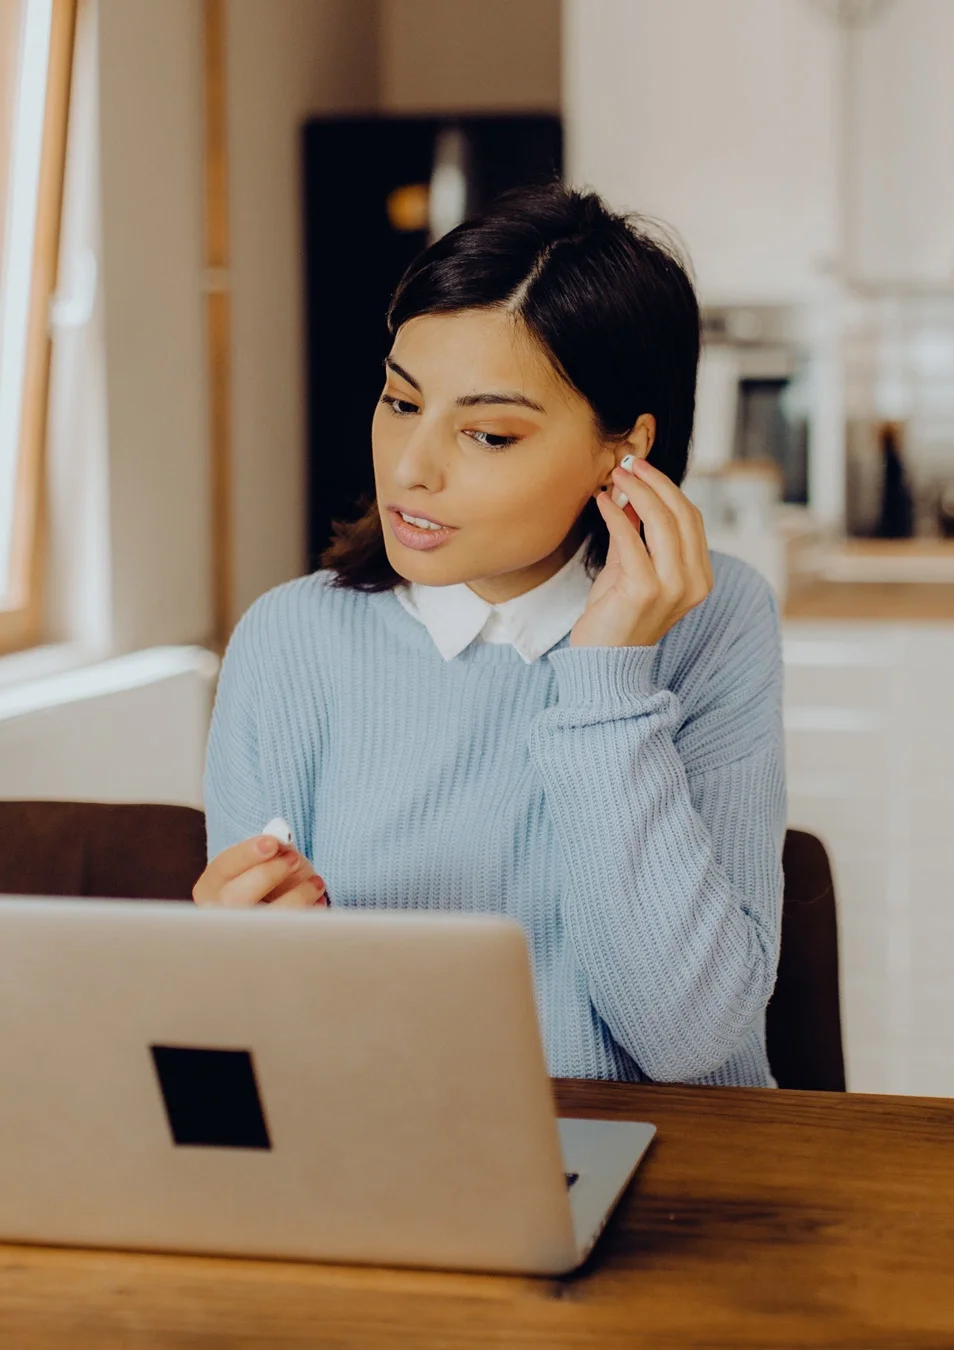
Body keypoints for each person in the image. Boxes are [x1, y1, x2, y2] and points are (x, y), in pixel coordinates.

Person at [191, 186, 785, 1087]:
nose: (411, 468)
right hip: (396, 1170)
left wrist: (608, 679)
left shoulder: (712, 622)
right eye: (400, 403)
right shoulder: (290, 639)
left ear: (625, 452)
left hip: (673, 1168)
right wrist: (226, 962)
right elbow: (268, 1049)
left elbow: (689, 1041)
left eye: (489, 433)